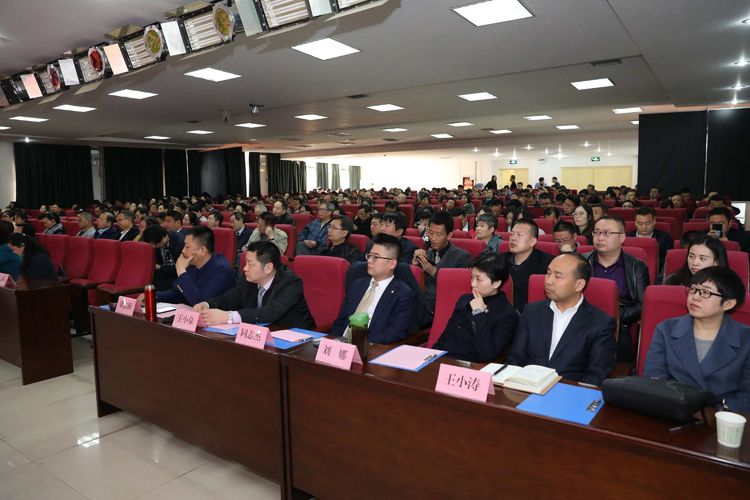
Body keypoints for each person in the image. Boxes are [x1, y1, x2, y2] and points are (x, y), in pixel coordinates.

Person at [644, 267, 750, 413]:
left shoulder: (746, 340)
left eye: (705, 293)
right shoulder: (666, 329)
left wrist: (716, 413)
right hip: (671, 411)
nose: (695, 297)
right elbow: (654, 380)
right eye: (693, 289)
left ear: (728, 304)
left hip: (723, 417)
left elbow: (746, 396)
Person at [507, 253, 617, 385]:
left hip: (569, 391)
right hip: (526, 386)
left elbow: (596, 375)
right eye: (548, 273)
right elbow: (515, 357)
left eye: (558, 276)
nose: (548, 281)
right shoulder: (531, 311)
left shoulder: (601, 323)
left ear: (579, 284)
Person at [195, 241, 315, 329]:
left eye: (250, 264)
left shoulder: (291, 283)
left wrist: (228, 317)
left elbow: (270, 312)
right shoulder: (248, 279)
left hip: (297, 340)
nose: (245, 268)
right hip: (261, 336)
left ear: (268, 267)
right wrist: (207, 304)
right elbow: (229, 298)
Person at [583, 216, 648, 359]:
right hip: (581, 322)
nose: (600, 237)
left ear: (622, 238)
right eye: (597, 232)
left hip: (619, 324)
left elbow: (642, 303)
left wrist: (615, 315)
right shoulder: (580, 262)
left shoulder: (636, 267)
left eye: (607, 233)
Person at [331, 234, 416, 344]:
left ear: (392, 263)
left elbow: (394, 333)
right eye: (369, 256)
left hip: (370, 347)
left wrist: (361, 345)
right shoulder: (357, 285)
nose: (369, 261)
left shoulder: (403, 294)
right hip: (340, 344)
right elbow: (340, 321)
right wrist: (333, 342)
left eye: (375, 257)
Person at [433, 253, 517, 362]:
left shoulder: (507, 315)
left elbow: (487, 354)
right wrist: (431, 357)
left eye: (478, 279)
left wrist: (479, 313)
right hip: (443, 359)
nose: (473, 284)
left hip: (470, 365)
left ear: (496, 283)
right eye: (472, 277)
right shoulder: (464, 299)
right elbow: (444, 338)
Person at [150, 226, 236, 306]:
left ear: (202, 250)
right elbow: (180, 293)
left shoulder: (222, 271)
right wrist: (154, 295)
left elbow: (200, 302)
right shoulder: (194, 264)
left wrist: (181, 271)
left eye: (187, 247)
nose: (183, 251)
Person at [412, 212, 472, 311]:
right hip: (421, 304)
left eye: (438, 234)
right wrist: (415, 266)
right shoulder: (426, 254)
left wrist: (433, 272)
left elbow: (458, 288)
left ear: (449, 235)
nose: (433, 238)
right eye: (431, 233)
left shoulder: (462, 257)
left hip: (445, 307)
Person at [508, 219, 554, 314]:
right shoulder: (499, 260)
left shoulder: (549, 263)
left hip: (537, 314)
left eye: (519, 235)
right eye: (511, 234)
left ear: (532, 241)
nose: (513, 238)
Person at [664, 235, 728, 286]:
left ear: (717, 262)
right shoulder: (673, 281)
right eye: (691, 256)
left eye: (702, 258)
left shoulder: (728, 285)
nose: (694, 263)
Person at [627, 206, 673, 274]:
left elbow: (668, 262)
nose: (644, 227)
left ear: (654, 221)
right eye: (640, 224)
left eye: (647, 223)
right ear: (635, 223)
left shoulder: (665, 238)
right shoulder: (627, 237)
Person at [140, 225, 182, 291]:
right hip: (162, 274)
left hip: (177, 274)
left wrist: (160, 267)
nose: (153, 246)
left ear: (164, 238)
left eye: (155, 244)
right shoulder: (157, 242)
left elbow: (181, 268)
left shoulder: (180, 243)